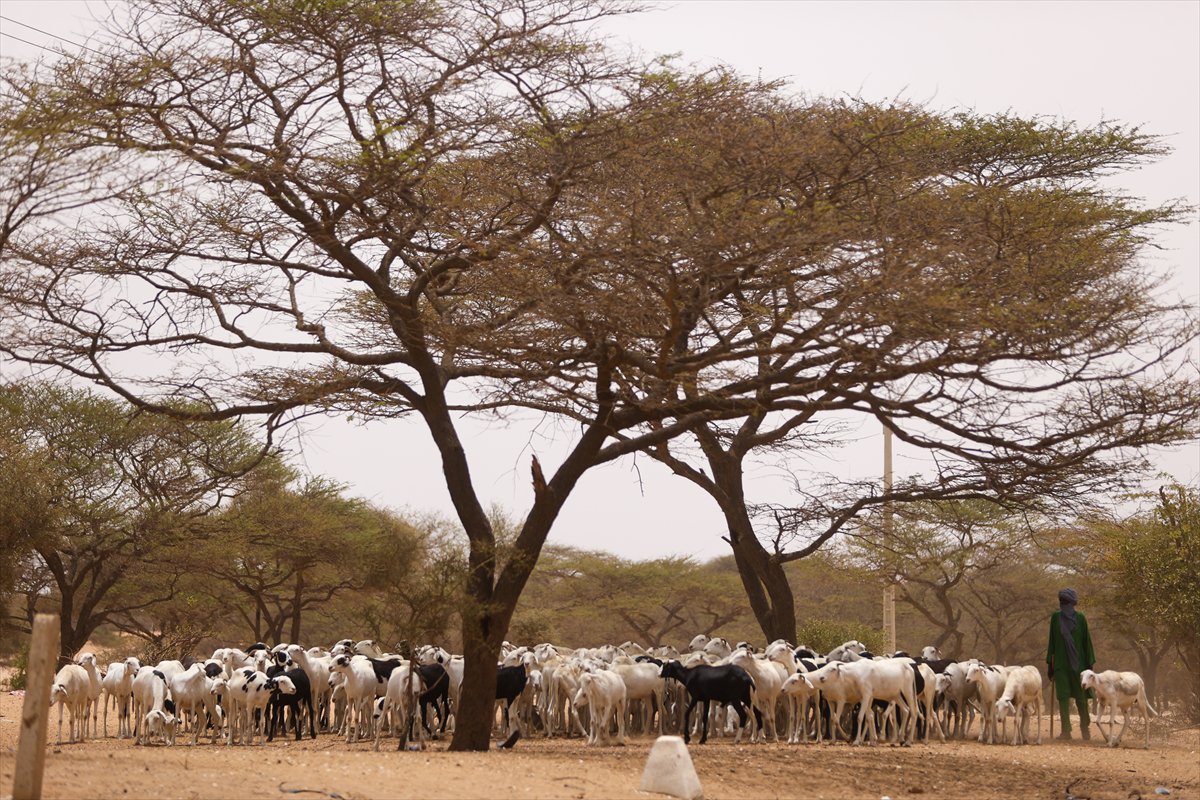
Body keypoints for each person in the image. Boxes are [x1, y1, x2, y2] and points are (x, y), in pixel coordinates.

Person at [1046, 587, 1096, 740]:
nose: (1063, 604)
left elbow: (1086, 642)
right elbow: (1052, 642)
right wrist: (1050, 665)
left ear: (1071, 603)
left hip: (1079, 666)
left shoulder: (1080, 618)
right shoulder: (1056, 618)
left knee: (1081, 698)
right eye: (1062, 601)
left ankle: (1084, 728)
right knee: (1063, 697)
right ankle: (1066, 731)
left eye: (1065, 601)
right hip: (1061, 665)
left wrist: (1089, 665)